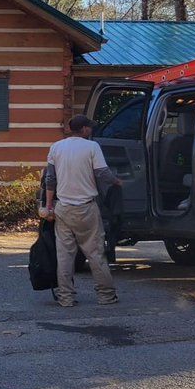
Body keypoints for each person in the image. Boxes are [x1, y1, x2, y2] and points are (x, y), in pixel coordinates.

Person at [44, 114, 121, 307]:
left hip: (63, 208)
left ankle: (66, 298)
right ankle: (106, 296)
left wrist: (48, 206)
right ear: (85, 129)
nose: (91, 130)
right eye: (90, 127)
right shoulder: (92, 147)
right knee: (95, 253)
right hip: (86, 208)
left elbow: (50, 180)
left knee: (65, 255)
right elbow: (102, 173)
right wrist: (116, 181)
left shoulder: (56, 147)